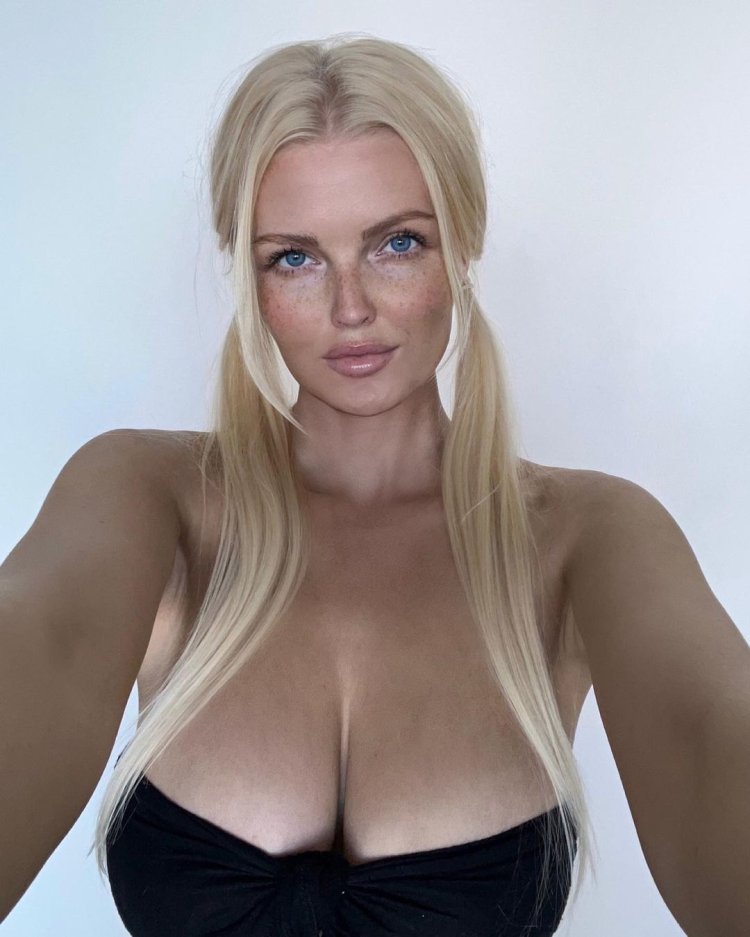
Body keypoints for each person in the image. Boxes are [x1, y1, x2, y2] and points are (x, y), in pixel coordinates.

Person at [3, 33, 746, 937]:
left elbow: (713, 727)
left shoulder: (589, 539)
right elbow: (37, 636)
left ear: (463, 241)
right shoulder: (146, 499)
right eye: (295, 257)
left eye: (398, 243)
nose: (350, 307)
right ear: (247, 271)